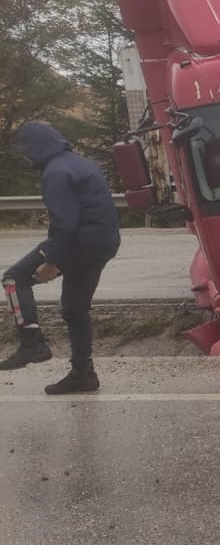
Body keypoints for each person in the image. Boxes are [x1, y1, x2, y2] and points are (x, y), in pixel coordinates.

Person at [1, 122, 121, 395]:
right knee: (74, 308)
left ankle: (32, 344)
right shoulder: (82, 163)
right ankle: (83, 374)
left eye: (25, 150)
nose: (26, 156)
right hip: (103, 243)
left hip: (79, 241)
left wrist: (52, 261)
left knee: (13, 278)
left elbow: (65, 223)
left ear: (35, 147)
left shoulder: (55, 172)